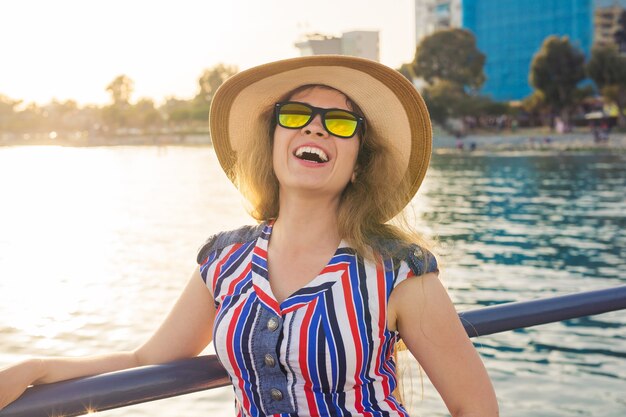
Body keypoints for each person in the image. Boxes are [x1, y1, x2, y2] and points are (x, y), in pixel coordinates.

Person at [0, 56, 498, 417]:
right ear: (275, 141)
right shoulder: (226, 260)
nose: (316, 130)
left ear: (357, 164)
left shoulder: (398, 269)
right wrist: (38, 368)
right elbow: (144, 360)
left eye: (340, 123)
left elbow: (474, 407)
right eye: (296, 116)